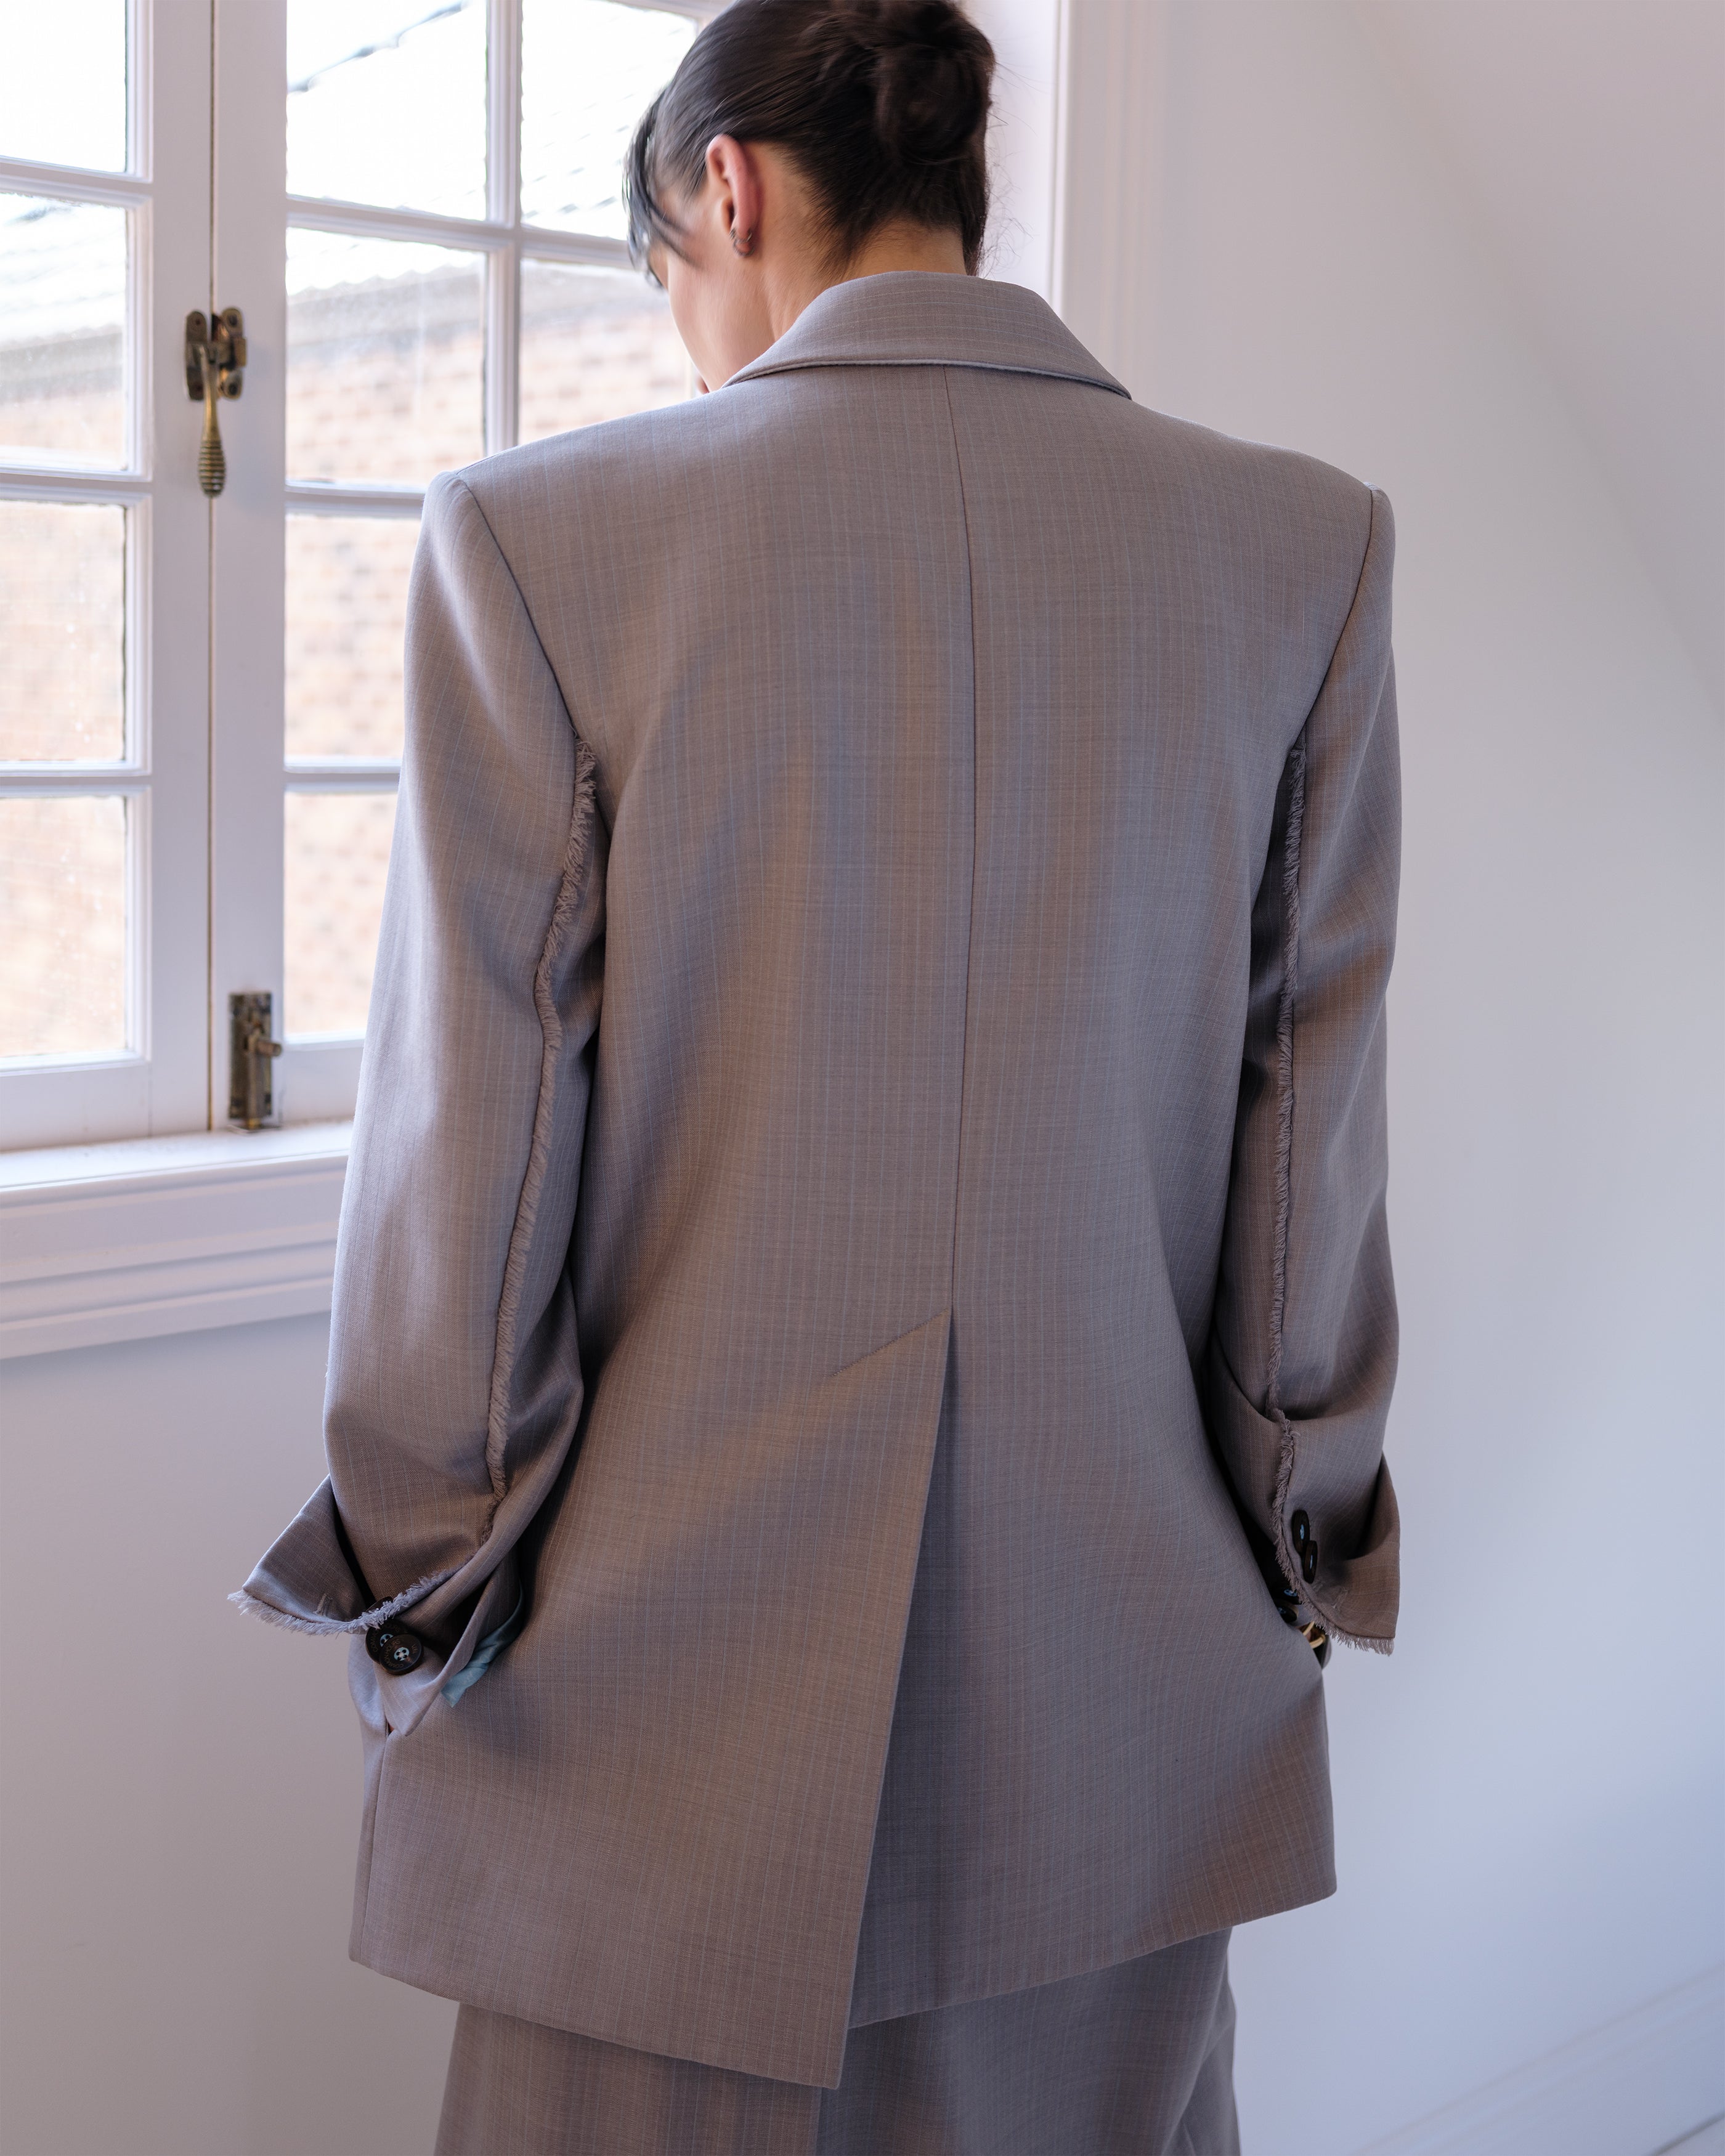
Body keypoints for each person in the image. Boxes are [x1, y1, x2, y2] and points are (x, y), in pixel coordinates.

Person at [235, 0, 1403, 2147]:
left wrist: (426, 1581)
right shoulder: (1300, 554)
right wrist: (1304, 1536)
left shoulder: (536, 544)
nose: (692, 343)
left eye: (675, 285)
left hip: (660, 1747)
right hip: (1116, 1725)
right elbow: (1304, 1160)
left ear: (729, 192)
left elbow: (465, 1217)